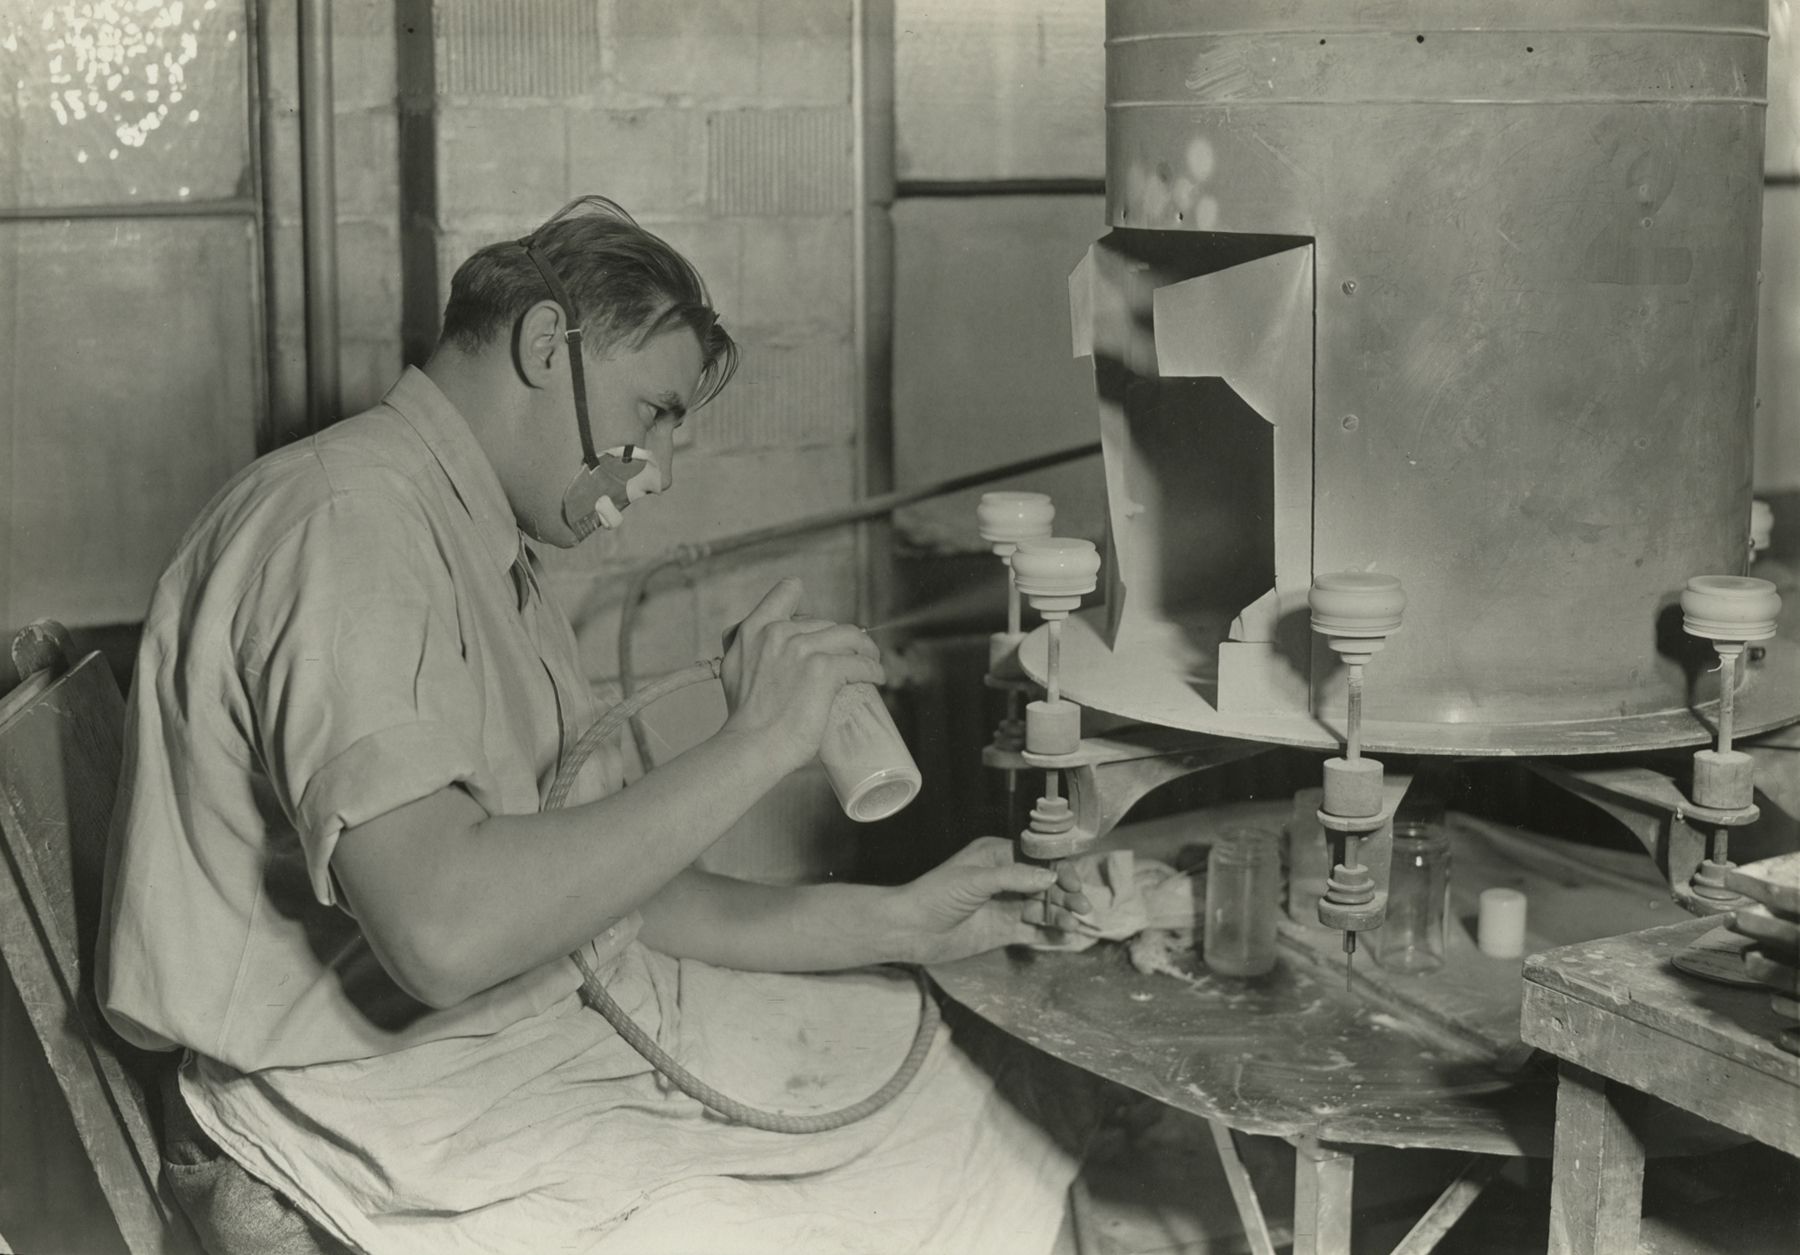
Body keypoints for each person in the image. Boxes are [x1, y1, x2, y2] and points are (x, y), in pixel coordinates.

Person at [98, 195, 1098, 1255]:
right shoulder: (348, 523)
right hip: (359, 1102)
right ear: (544, 345)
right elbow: (444, 935)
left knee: (981, 1074)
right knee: (942, 1164)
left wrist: (904, 920)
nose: (657, 466)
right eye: (654, 413)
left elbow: (612, 900)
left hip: (487, 1052)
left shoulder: (478, 547)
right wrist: (756, 743)